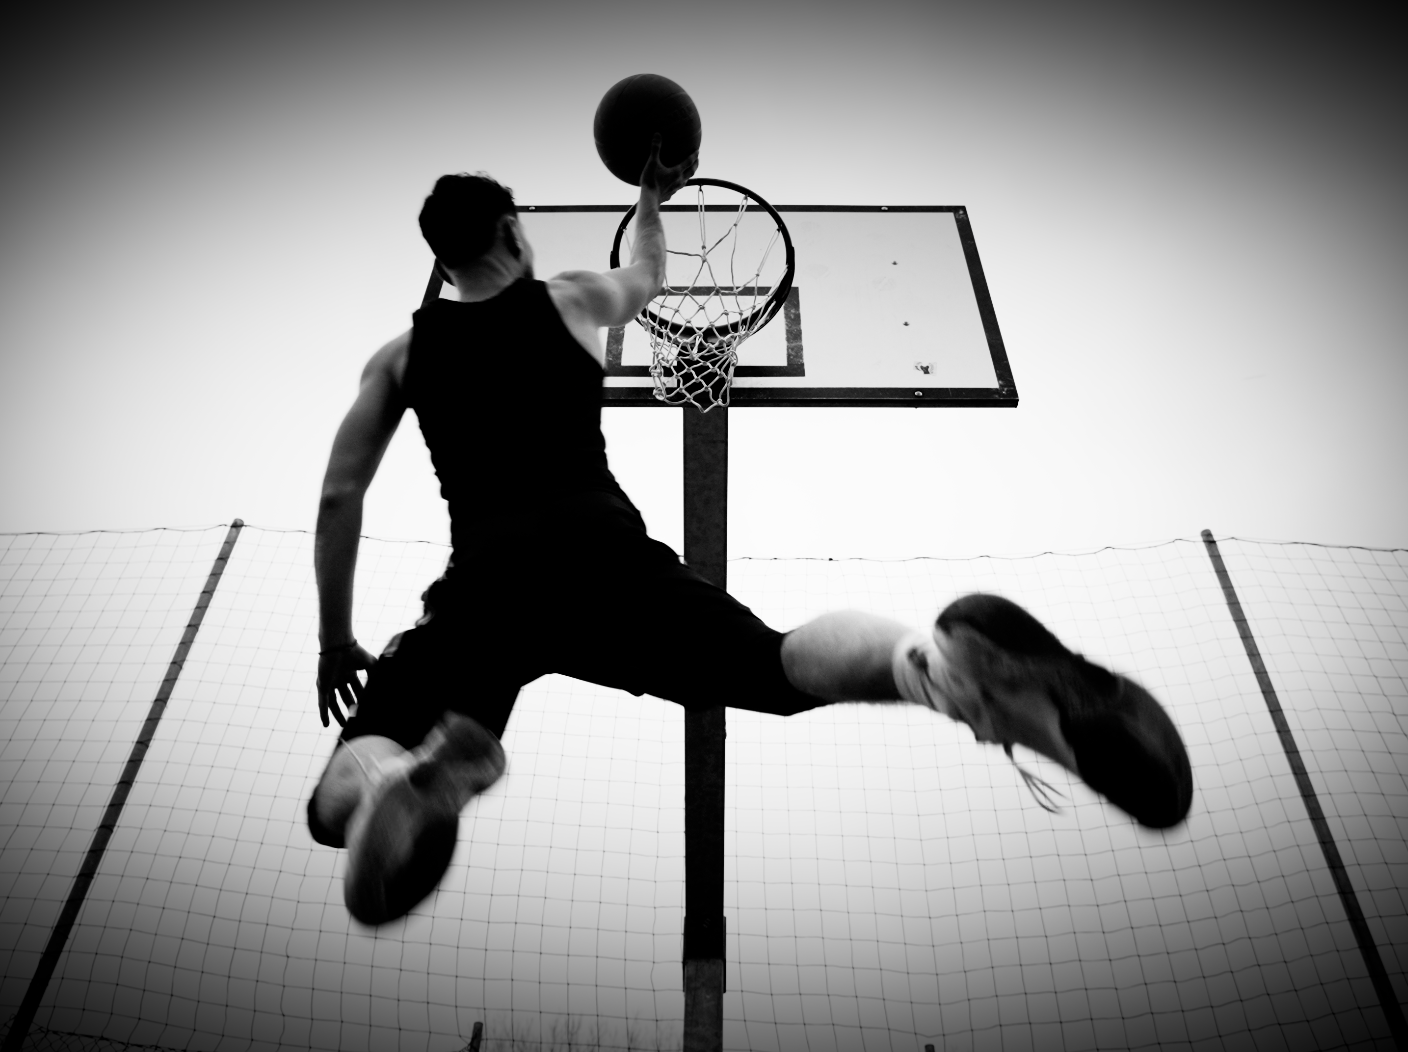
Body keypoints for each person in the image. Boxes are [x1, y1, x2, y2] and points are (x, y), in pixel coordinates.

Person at [309, 141, 1193, 926]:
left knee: (330, 807)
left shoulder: (401, 357)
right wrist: (649, 200)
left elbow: (341, 496)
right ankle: (937, 668)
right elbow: (649, 274)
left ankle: (393, 780)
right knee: (773, 668)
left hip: (485, 581)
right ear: (511, 231)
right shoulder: (571, 300)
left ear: (442, 258)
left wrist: (336, 639)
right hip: (600, 553)